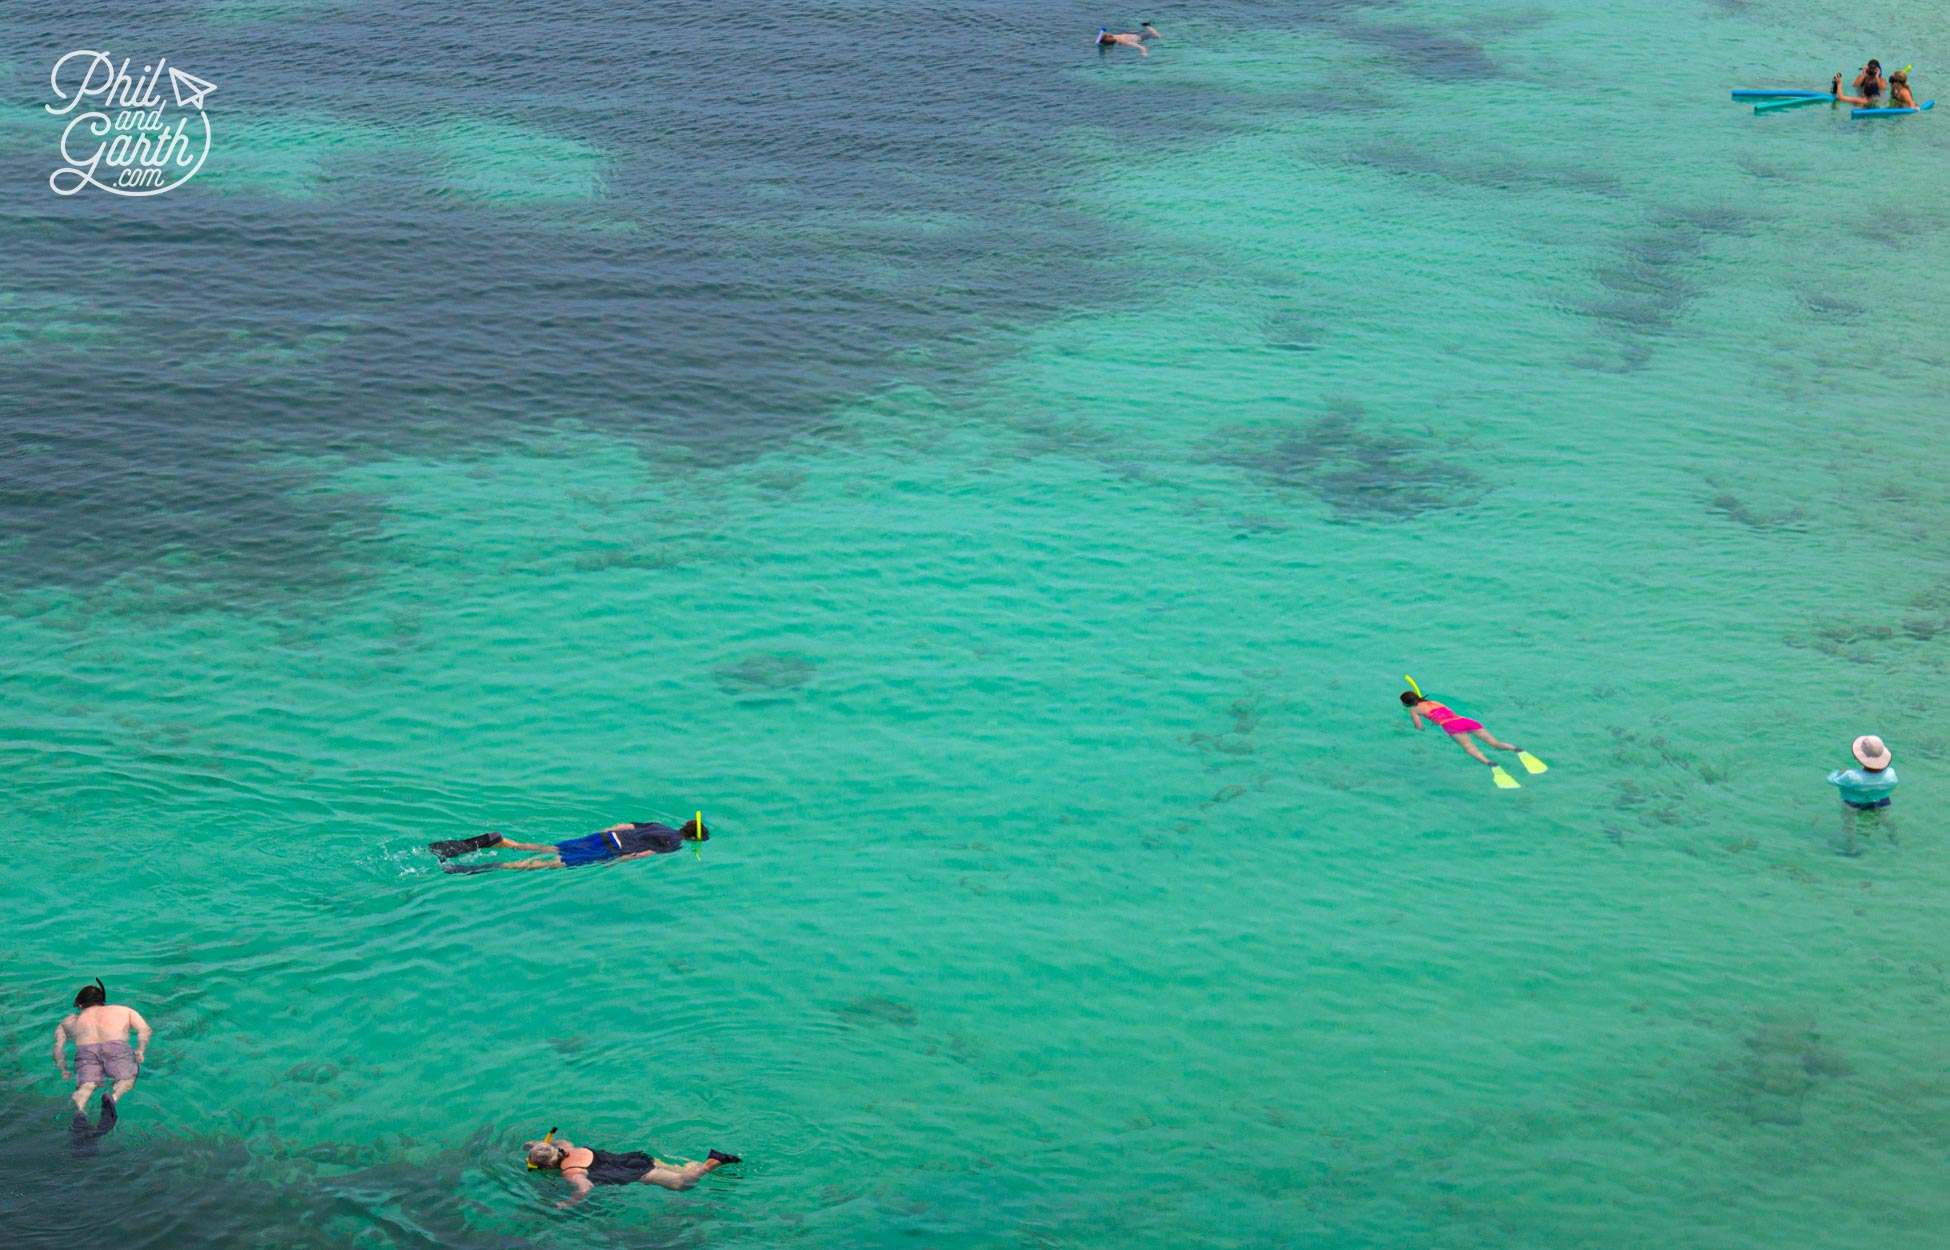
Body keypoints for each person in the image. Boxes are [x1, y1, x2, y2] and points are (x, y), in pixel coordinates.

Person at [53, 980, 151, 1148]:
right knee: (127, 1079)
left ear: (80, 1004)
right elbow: (145, 1030)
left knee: (86, 1086)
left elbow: (58, 1048)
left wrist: (62, 1068)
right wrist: (141, 1049)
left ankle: (81, 1110)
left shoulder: (67, 1022)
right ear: (102, 1001)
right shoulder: (124, 1010)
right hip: (117, 1047)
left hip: (85, 1050)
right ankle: (113, 1097)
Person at [524, 1133, 741, 1207]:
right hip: (635, 1159)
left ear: (548, 1165)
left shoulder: (570, 1172)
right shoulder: (569, 1148)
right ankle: (714, 1163)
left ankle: (711, 1162)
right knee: (679, 1170)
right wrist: (535, 1145)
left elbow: (585, 1189)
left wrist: (567, 1202)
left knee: (682, 1184)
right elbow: (558, 1141)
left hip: (637, 1173)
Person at [430, 817, 708, 873]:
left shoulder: (660, 825)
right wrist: (617, 861)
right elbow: (644, 853)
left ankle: (504, 842)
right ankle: (493, 866)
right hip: (610, 850)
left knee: (551, 849)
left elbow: (624, 826)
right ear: (692, 838)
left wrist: (602, 833)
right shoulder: (673, 844)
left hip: (604, 838)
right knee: (552, 864)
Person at [1400, 690, 1546, 787]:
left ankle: (1492, 765)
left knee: (1470, 749)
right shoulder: (1435, 701)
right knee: (1495, 743)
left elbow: (1419, 727)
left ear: (1406, 703)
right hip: (1464, 720)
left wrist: (1420, 725)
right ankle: (1518, 750)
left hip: (1451, 725)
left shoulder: (1414, 709)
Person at [1828, 734, 1897, 852]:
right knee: (1885, 820)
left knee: (1849, 824)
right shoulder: (1890, 774)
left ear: (1859, 757)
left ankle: (1851, 848)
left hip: (1853, 803)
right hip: (1881, 802)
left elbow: (1831, 781)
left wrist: (1838, 772)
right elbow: (1893, 784)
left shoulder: (1850, 776)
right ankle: (1894, 839)